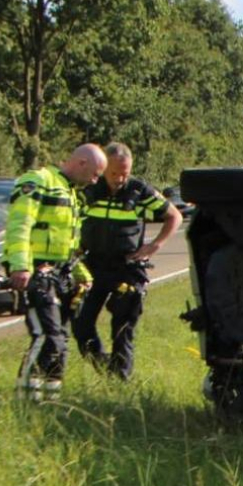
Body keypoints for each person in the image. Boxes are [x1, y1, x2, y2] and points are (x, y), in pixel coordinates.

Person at [5, 144, 105, 402]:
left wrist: (81, 273)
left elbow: (67, 244)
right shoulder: (38, 181)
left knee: (60, 342)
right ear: (81, 162)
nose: (95, 180)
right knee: (46, 336)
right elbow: (20, 225)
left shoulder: (70, 192)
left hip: (59, 274)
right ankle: (24, 400)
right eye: (95, 174)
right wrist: (20, 266)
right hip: (36, 272)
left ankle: (50, 400)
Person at [75, 142, 182, 381]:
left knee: (123, 326)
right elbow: (72, 219)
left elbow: (174, 216)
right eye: (114, 173)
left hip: (127, 268)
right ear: (103, 169)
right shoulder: (90, 191)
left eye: (125, 173)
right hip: (93, 266)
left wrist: (154, 245)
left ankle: (120, 379)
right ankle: (102, 363)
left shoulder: (139, 190)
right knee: (81, 322)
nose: (120, 179)